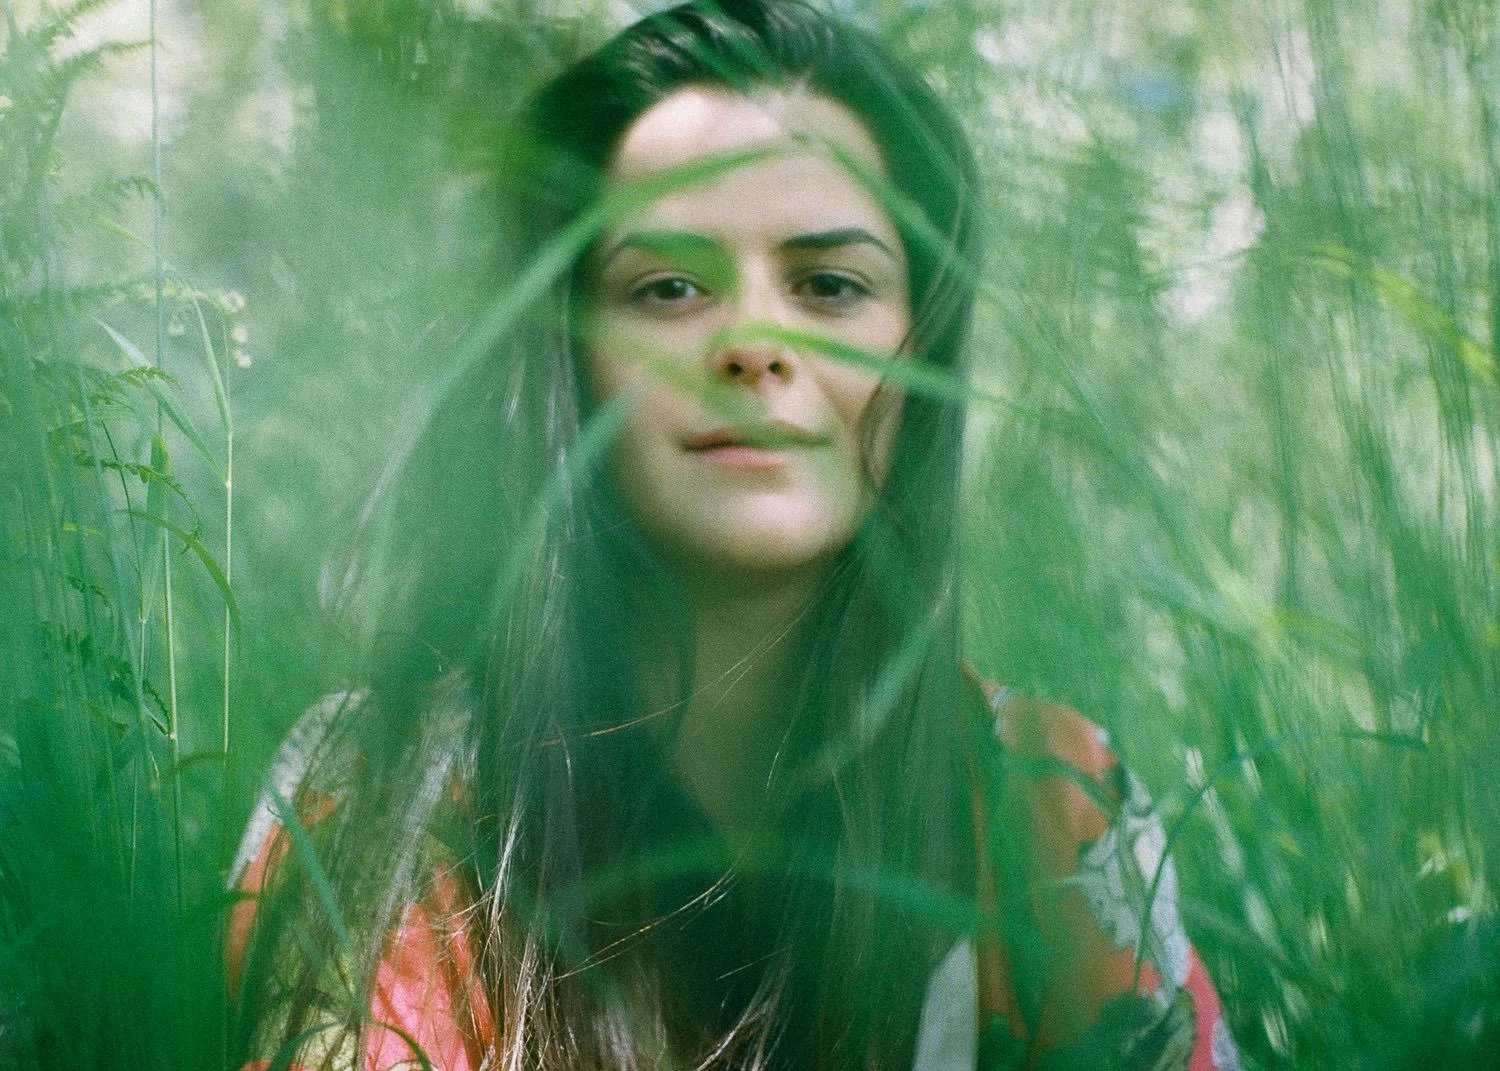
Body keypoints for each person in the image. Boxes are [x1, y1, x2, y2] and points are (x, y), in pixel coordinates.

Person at [229, 1, 1240, 1068]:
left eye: (830, 286)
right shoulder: (376, 795)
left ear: (922, 351)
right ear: (567, 354)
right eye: (667, 288)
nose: (754, 341)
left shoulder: (1051, 804)